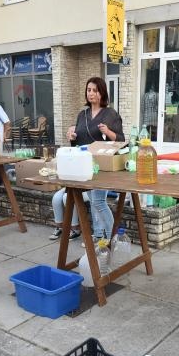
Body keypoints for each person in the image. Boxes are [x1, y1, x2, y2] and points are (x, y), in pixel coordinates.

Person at [65, 76, 124, 239]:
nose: (91, 93)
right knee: (93, 201)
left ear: (102, 93)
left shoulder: (110, 114)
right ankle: (98, 235)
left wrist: (108, 132)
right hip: (84, 164)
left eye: (95, 90)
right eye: (88, 90)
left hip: (102, 165)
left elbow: (121, 139)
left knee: (99, 201)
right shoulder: (82, 114)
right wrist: (71, 135)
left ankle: (114, 237)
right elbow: (77, 140)